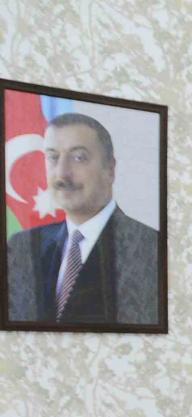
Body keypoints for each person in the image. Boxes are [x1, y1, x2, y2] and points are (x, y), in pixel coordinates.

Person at [6, 111, 159, 325]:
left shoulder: (152, 247)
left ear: (110, 169)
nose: (61, 174)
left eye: (79, 157)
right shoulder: (22, 247)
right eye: (53, 157)